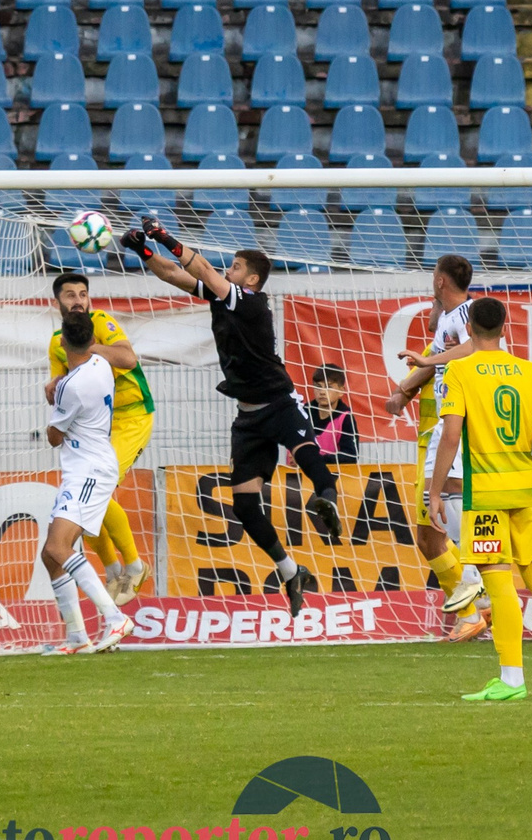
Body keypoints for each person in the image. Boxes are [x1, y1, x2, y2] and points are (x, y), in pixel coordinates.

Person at [123, 219, 342, 618]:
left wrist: (164, 235)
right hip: (247, 417)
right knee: (243, 504)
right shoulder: (224, 297)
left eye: (236, 267)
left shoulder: (251, 301)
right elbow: (176, 276)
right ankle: (290, 570)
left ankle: (327, 498)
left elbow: (202, 269)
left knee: (306, 449)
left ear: (252, 278)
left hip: (278, 401)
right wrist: (144, 250)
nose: (228, 270)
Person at [428, 296, 532, 702]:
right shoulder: (528, 371)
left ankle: (512, 679)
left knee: (500, 583)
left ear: (469, 330)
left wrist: (433, 491)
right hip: (526, 491)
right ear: (505, 328)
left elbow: (451, 435)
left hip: (484, 494)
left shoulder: (460, 370)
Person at [380, 255, 485, 632]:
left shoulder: (465, 313)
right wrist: (403, 391)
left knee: (439, 503)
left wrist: (427, 359)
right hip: (440, 430)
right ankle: (474, 606)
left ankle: (477, 583)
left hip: (458, 425)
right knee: (428, 532)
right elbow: (431, 366)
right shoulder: (443, 328)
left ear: (440, 282)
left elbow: (471, 348)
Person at [46, 273, 152, 600]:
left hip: (132, 416)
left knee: (96, 494)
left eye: (82, 294)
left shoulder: (102, 322)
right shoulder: (57, 342)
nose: (78, 300)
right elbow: (59, 386)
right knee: (81, 501)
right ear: (57, 303)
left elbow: (128, 358)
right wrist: (53, 387)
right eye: (69, 295)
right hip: (96, 427)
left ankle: (134, 566)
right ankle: (113, 569)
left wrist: (90, 348)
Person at [40, 312, 133, 655]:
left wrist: (51, 399)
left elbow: (53, 437)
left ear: (62, 343)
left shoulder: (69, 386)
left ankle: (114, 617)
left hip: (87, 471)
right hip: (91, 466)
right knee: (50, 556)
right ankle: (77, 636)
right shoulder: (102, 365)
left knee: (58, 549)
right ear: (93, 341)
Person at [307, 365, 359, 465]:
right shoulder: (303, 412)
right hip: (301, 476)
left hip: (334, 477)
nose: (322, 392)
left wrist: (319, 460)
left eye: (328, 387)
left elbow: (351, 456)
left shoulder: (345, 418)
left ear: (341, 391)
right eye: (318, 386)